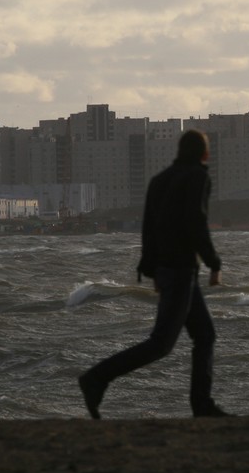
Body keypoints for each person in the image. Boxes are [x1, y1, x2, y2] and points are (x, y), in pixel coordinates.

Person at [79, 129, 231, 419]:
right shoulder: (198, 177)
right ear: (204, 153)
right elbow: (195, 222)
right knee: (161, 344)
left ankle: (202, 405)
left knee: (205, 335)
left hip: (167, 269)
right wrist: (214, 262)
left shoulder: (158, 181)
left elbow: (148, 228)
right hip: (181, 268)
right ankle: (96, 378)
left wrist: (151, 270)